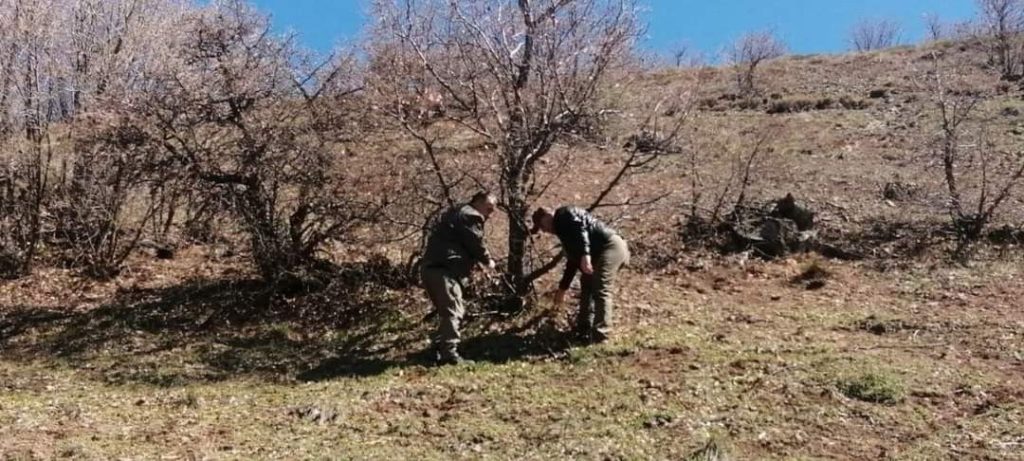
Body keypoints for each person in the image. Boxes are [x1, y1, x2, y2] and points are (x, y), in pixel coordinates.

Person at [530, 205, 629, 344]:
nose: (544, 230)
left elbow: (580, 229)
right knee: (587, 285)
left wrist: (585, 255)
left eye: (542, 225)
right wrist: (562, 289)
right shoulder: (565, 233)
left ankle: (601, 336)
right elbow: (572, 263)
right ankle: (583, 330)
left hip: (610, 247)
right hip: (597, 253)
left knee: (601, 287)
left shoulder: (564, 214)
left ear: (547, 216)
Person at [421, 192, 497, 365]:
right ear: (477, 202)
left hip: (430, 268)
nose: (490, 214)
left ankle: (438, 350)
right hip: (444, 270)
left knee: (445, 311)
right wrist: (488, 261)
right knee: (453, 310)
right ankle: (449, 355)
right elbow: (475, 242)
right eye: (489, 208)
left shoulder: (455, 212)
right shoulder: (471, 216)